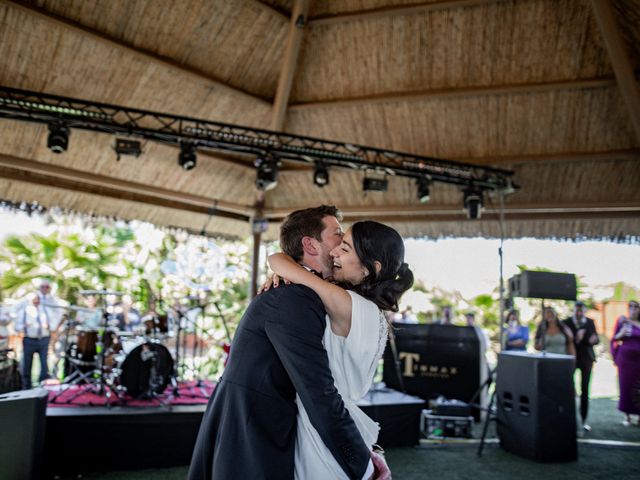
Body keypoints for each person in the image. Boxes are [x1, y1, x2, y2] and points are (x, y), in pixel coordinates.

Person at [187, 206, 391, 480]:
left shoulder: (309, 293)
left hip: (264, 427)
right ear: (310, 244)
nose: (339, 246)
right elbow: (317, 390)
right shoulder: (293, 298)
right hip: (253, 434)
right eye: (337, 235)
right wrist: (361, 466)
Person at [266, 220, 413, 479]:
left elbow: (276, 258)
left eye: (345, 249)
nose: (334, 252)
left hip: (322, 430)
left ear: (370, 269)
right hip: (338, 423)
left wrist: (288, 272)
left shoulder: (350, 305)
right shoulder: (370, 312)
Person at [563, 301, 599, 431]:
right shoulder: (566, 322)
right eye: (576, 311)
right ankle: (568, 419)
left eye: (581, 311)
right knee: (568, 390)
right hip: (571, 359)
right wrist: (573, 338)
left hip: (586, 359)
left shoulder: (590, 322)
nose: (578, 313)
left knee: (585, 390)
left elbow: (596, 338)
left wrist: (592, 340)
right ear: (573, 311)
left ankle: (583, 420)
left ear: (584, 311)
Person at [610, 300, 640, 427]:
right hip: (625, 361)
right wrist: (621, 334)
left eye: (635, 306)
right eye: (630, 306)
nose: (633, 309)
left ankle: (639, 416)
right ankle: (627, 416)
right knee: (626, 386)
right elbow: (614, 339)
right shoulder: (622, 321)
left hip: (639, 361)